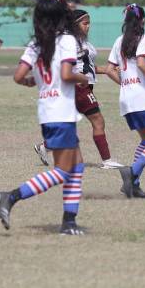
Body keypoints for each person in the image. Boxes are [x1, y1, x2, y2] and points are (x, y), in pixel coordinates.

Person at [0, 0, 90, 235]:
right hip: (61, 113)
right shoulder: (66, 40)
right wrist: (83, 77)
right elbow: (67, 74)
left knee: (77, 166)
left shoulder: (36, 44)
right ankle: (11, 196)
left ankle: (69, 221)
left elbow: (18, 77)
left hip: (48, 111)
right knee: (63, 171)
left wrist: (37, 84)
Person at [33, 10, 124, 169]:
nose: (88, 27)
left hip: (84, 86)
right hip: (78, 87)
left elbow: (87, 66)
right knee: (98, 120)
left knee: (68, 125)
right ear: (75, 24)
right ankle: (107, 160)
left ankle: (45, 146)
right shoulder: (69, 42)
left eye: (89, 23)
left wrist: (108, 70)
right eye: (85, 23)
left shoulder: (84, 43)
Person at [104, 4, 145, 198]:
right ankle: (132, 173)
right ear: (143, 20)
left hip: (126, 99)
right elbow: (141, 63)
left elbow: (109, 69)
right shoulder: (143, 38)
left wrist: (125, 84)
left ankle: (133, 185)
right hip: (141, 98)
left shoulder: (119, 40)